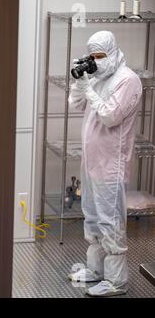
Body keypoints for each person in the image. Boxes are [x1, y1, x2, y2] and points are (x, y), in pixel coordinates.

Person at [67, 31, 142, 297]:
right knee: (93, 218)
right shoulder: (98, 77)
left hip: (111, 165)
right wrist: (80, 81)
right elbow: (75, 103)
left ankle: (116, 282)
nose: (96, 62)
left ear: (112, 52)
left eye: (100, 56)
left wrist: (90, 89)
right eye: (93, 57)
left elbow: (110, 116)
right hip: (91, 163)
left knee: (110, 223)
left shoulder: (127, 80)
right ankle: (96, 271)